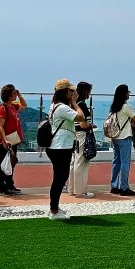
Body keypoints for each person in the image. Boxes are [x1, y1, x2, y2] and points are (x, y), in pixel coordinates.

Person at [45, 79, 85, 220]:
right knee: (60, 178)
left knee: (60, 177)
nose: (74, 93)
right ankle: (54, 210)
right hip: (61, 146)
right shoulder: (62, 107)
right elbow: (80, 117)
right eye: (71, 90)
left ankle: (54, 207)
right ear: (65, 92)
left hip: (58, 146)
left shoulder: (54, 106)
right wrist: (75, 103)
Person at [0, 84, 26, 196]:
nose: (15, 95)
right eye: (13, 93)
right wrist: (4, 140)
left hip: (13, 139)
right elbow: (0, 126)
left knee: (11, 163)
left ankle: (9, 184)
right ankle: (1, 187)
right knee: (3, 163)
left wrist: (20, 95)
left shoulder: (13, 106)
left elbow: (24, 106)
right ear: (8, 95)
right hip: (5, 140)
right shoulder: (2, 108)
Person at [107, 84, 135, 196]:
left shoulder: (114, 107)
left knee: (116, 161)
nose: (129, 94)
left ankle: (114, 186)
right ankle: (124, 187)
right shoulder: (126, 107)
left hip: (115, 137)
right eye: (128, 92)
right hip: (124, 137)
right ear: (125, 94)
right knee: (125, 162)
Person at [70, 82, 95, 198]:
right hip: (82, 134)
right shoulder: (82, 106)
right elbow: (84, 125)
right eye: (89, 91)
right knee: (81, 162)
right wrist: (91, 126)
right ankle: (80, 190)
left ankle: (73, 188)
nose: (89, 94)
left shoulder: (73, 105)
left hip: (75, 135)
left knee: (75, 162)